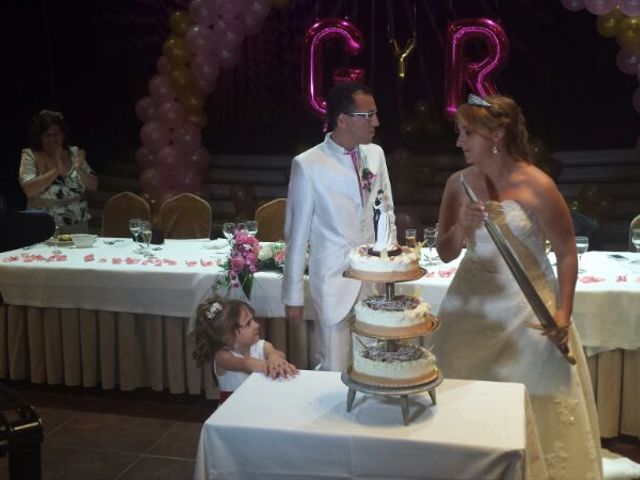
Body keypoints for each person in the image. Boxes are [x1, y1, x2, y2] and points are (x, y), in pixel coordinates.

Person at [432, 94, 602, 479]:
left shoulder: (538, 184)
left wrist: (562, 314)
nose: (459, 142)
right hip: (469, 310)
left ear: (496, 134)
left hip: (529, 314)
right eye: (459, 133)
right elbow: (443, 252)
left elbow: (567, 254)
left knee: (531, 405)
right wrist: (462, 228)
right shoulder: (457, 184)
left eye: (467, 133)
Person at [282, 82, 395, 371]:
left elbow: (386, 213)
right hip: (333, 278)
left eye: (375, 113)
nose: (376, 122)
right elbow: (296, 236)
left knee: (374, 361)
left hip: (373, 279)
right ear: (342, 119)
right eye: (368, 115)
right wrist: (293, 295)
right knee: (333, 365)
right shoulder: (308, 164)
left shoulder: (376, 155)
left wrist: (387, 268)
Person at [193, 298, 298, 403]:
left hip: (259, 403)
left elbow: (276, 353)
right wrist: (269, 366)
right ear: (227, 336)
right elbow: (243, 364)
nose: (257, 325)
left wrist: (275, 359)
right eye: (248, 323)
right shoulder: (222, 356)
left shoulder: (262, 345)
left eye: (253, 320)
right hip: (233, 410)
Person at [19, 110, 98, 234]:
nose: (52, 139)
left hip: (77, 225)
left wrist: (79, 168)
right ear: (40, 138)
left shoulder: (74, 153)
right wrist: (56, 171)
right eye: (47, 135)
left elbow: (93, 186)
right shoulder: (30, 155)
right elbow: (28, 189)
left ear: (63, 135)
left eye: (56, 134)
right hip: (43, 226)